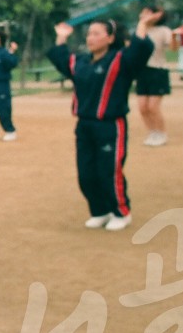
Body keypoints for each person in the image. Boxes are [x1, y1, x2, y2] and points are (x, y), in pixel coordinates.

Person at [47, 19, 154, 231]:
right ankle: (99, 211)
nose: (91, 38)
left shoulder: (120, 61)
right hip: (84, 126)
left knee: (108, 171)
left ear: (111, 38)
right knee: (86, 173)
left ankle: (120, 212)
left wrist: (142, 23)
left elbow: (141, 50)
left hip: (110, 125)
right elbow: (61, 58)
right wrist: (61, 36)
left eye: (97, 34)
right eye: (89, 34)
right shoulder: (81, 62)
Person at [134, 6, 174, 147]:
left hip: (157, 70)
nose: (142, 15)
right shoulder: (140, 30)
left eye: (146, 13)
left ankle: (161, 133)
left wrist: (176, 37)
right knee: (142, 107)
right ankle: (152, 132)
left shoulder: (164, 31)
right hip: (142, 72)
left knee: (153, 106)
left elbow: (173, 48)